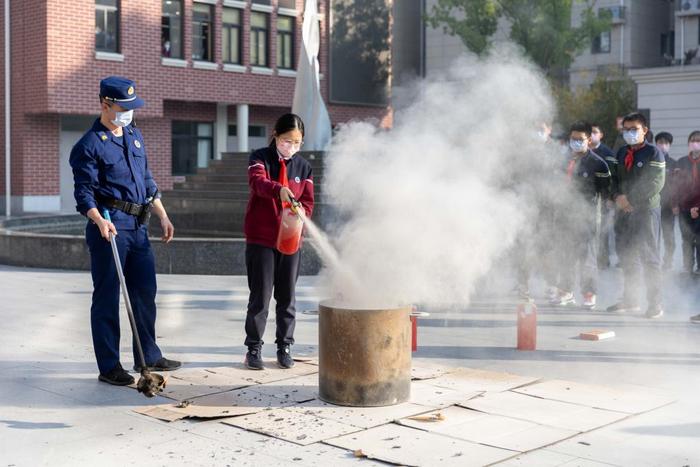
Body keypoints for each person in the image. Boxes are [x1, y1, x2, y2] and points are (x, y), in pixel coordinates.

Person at [70, 76, 180, 386]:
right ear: (105, 104)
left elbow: (146, 180)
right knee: (107, 295)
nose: (129, 112)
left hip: (138, 225)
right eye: (123, 107)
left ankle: (149, 354)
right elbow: (84, 193)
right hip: (110, 225)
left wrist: (162, 214)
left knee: (145, 292)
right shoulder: (89, 145)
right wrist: (98, 220)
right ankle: (109, 366)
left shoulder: (134, 135)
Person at [243, 113, 314, 370]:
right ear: (276, 135)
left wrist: (302, 211)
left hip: (290, 240)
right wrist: (278, 189)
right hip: (261, 238)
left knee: (287, 297)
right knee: (260, 297)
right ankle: (253, 347)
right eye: (287, 140)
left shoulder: (303, 167)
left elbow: (307, 200)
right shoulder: (259, 157)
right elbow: (257, 182)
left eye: (297, 142)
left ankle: (284, 345)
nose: (291, 147)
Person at [606, 112, 665, 319]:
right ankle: (631, 300)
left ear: (645, 131)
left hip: (645, 210)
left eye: (634, 129)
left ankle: (655, 304)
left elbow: (655, 183)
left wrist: (630, 199)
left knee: (649, 256)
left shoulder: (654, 153)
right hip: (623, 210)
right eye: (626, 129)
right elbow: (613, 179)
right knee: (626, 255)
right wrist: (616, 196)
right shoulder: (621, 152)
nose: (629, 133)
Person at [552, 122, 611, 309]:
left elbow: (605, 192)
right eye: (573, 139)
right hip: (565, 214)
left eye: (580, 140)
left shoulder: (598, 163)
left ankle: (589, 294)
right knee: (565, 254)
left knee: (587, 257)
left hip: (587, 216)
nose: (576, 143)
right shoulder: (564, 160)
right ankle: (566, 291)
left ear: (589, 140)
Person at [673, 130, 700, 276]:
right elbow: (675, 185)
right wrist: (675, 204)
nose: (696, 144)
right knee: (687, 239)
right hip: (684, 207)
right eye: (693, 140)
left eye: (698, 141)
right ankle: (687, 266)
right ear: (688, 144)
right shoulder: (681, 162)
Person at [590, 123, 616, 269]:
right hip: (588, 197)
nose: (592, 134)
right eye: (590, 132)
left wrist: (611, 197)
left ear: (601, 135)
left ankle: (603, 261)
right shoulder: (584, 151)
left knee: (603, 230)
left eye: (595, 132)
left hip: (604, 197)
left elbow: (613, 176)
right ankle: (590, 260)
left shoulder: (607, 152)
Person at [655, 132, 678, 270]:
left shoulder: (674, 163)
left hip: (668, 206)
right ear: (656, 144)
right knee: (653, 236)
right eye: (660, 143)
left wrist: (675, 204)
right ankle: (654, 261)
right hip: (653, 205)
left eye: (666, 143)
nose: (663, 145)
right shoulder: (651, 161)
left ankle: (668, 261)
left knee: (668, 236)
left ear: (669, 145)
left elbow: (677, 186)